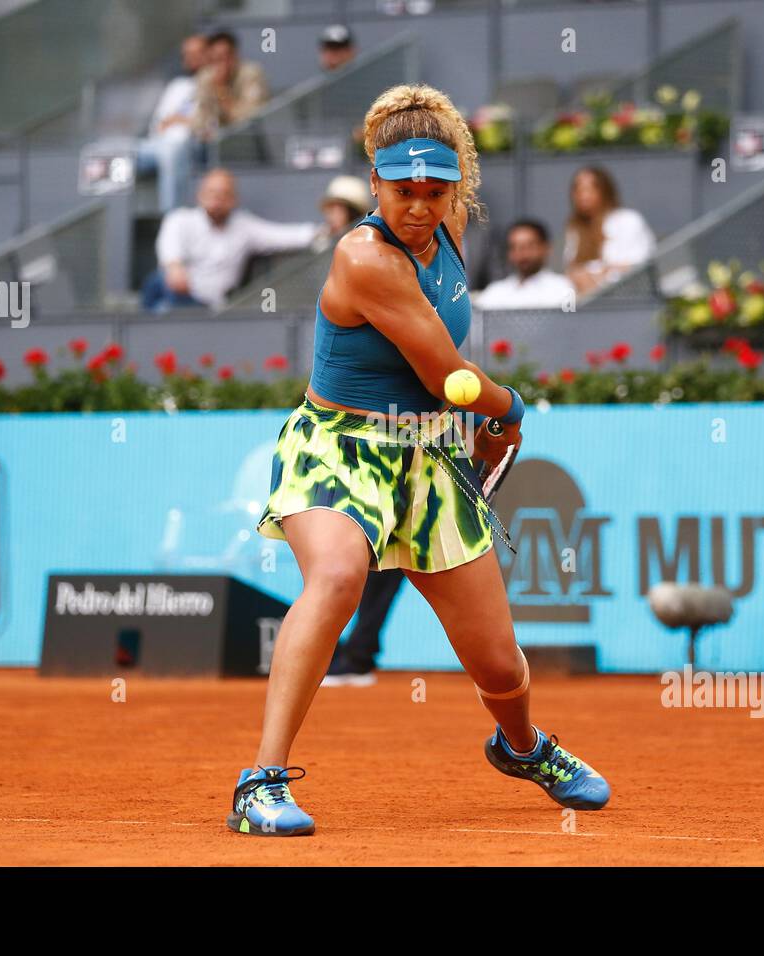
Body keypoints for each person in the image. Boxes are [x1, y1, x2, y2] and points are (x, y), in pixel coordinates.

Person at [234, 83, 610, 837]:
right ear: (374, 183)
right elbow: (446, 375)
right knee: (338, 576)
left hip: (428, 458)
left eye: (435, 191)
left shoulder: (452, 223)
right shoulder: (364, 256)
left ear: (455, 189)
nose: (418, 206)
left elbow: (445, 394)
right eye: (402, 190)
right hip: (339, 449)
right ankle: (260, 783)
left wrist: (469, 424)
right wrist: (510, 412)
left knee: (500, 668)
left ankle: (523, 747)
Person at [141, 169, 328, 312]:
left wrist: (321, 232)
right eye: (211, 192)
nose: (216, 199)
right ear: (200, 194)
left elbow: (283, 235)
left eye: (223, 194)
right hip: (176, 294)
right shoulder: (180, 219)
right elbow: (172, 266)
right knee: (158, 285)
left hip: (213, 308)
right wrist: (174, 268)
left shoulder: (244, 226)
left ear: (233, 199)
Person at [136, 34, 210, 214]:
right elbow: (159, 124)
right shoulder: (178, 86)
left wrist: (182, 121)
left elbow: (211, 126)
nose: (191, 58)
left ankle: (171, 217)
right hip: (161, 144)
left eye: (197, 53)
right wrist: (178, 122)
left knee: (173, 150)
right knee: (114, 150)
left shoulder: (216, 84)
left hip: (196, 147)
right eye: (187, 54)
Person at [562, 165, 656, 297]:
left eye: (590, 188)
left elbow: (640, 265)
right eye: (578, 189)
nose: (583, 195)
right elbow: (572, 271)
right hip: (586, 305)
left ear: (606, 191)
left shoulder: (627, 219)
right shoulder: (575, 229)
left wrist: (599, 274)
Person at [473, 219, 576, 310]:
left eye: (529, 246)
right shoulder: (496, 292)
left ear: (546, 248)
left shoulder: (562, 288)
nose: (522, 254)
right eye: (514, 247)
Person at [191, 29, 269, 144]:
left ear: (235, 55)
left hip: (247, 140)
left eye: (226, 57)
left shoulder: (251, 74)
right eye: (216, 59)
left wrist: (221, 90)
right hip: (212, 142)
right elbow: (199, 119)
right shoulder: (205, 77)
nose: (222, 64)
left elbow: (251, 118)